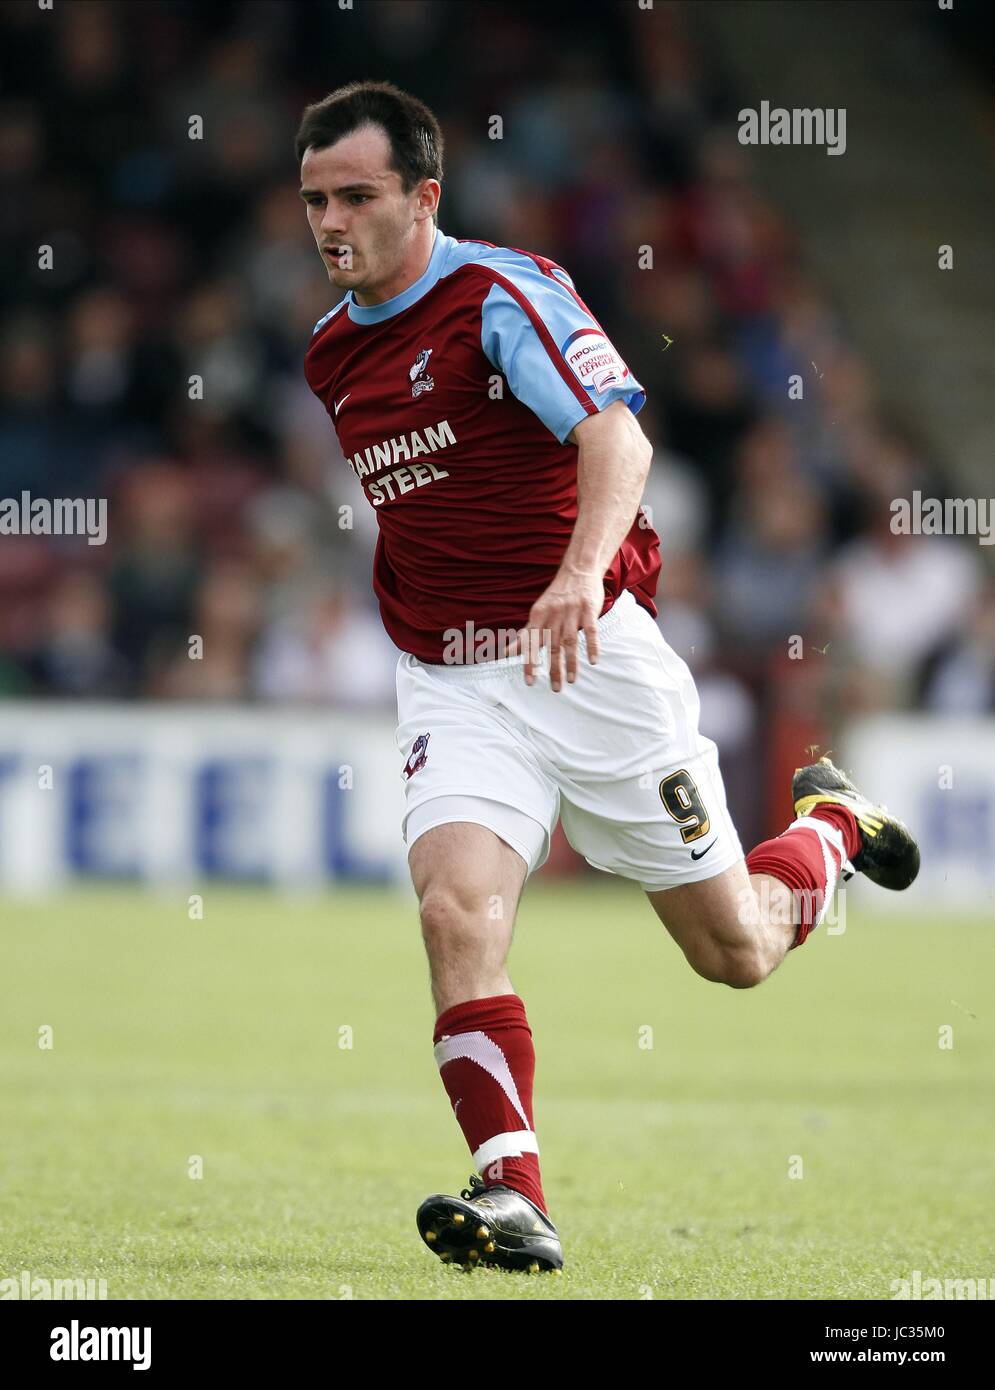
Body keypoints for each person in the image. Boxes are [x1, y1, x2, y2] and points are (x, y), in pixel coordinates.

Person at [297, 80, 919, 1274]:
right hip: (453, 676)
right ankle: (513, 1190)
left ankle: (830, 826)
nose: (331, 221)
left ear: (423, 197)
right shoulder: (331, 353)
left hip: (585, 656)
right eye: (316, 199)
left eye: (358, 196)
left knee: (732, 948)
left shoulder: (501, 295)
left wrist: (580, 574)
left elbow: (615, 435)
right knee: (451, 912)